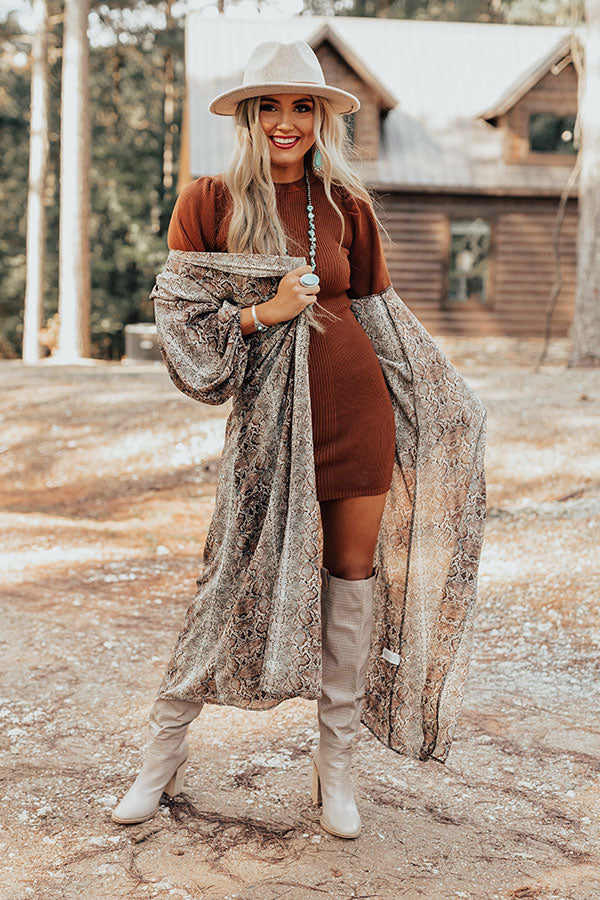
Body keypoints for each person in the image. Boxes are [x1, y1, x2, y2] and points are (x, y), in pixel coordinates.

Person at [111, 39, 486, 840]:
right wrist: (262, 313)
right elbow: (183, 326)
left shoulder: (346, 205)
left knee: (352, 578)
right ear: (249, 116)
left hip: (359, 420)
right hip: (268, 434)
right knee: (224, 583)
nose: (288, 122)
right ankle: (160, 758)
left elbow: (384, 321)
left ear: (321, 117)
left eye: (303, 106)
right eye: (271, 107)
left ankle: (335, 768)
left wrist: (449, 402)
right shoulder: (208, 201)